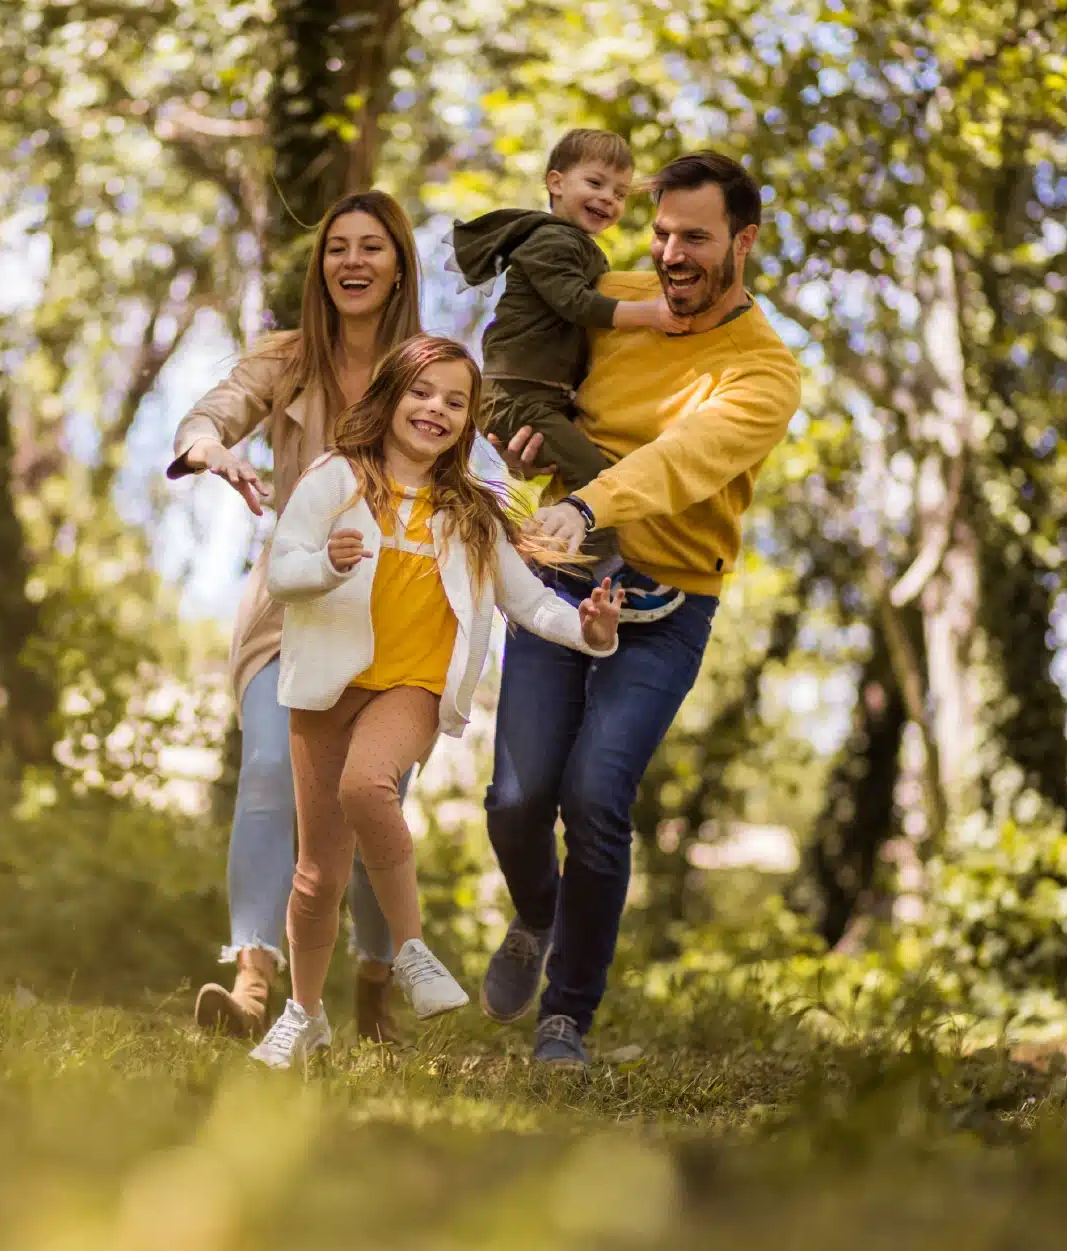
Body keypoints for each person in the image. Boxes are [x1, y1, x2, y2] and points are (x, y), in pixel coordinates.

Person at [477, 152, 804, 1067]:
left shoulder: (764, 371)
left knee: (595, 795)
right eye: (661, 233)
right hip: (562, 577)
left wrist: (587, 502)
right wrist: (520, 426)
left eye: (694, 237)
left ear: (744, 241)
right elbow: (519, 362)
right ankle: (537, 914)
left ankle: (565, 1017)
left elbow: (683, 459)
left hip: (668, 602)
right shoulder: (615, 297)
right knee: (514, 800)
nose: (670, 255)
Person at [248, 334, 622, 1069]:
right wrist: (325, 564)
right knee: (316, 874)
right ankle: (304, 1013)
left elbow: (529, 601)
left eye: (456, 402)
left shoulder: (474, 513)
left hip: (411, 688)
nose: (436, 410)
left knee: (367, 785)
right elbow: (283, 567)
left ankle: (412, 950)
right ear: (391, 395)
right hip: (327, 685)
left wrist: (587, 630)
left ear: (467, 422)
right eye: (423, 393)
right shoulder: (336, 479)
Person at [165, 190, 423, 1045]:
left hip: (395, 615)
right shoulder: (285, 359)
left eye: (371, 248)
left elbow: (483, 461)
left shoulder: (428, 370)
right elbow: (210, 411)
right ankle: (251, 986)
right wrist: (210, 446)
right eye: (337, 248)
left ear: (398, 266)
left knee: (370, 794)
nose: (351, 262)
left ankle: (375, 980)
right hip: (293, 603)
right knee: (273, 768)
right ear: (322, 269)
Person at [448, 128, 692, 624]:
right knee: (595, 477)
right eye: (596, 183)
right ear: (555, 182)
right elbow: (575, 304)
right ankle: (607, 576)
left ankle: (549, 563)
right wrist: (652, 313)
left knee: (578, 473)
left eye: (620, 194)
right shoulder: (552, 240)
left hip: (536, 397)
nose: (608, 199)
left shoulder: (575, 244)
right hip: (516, 396)